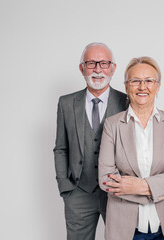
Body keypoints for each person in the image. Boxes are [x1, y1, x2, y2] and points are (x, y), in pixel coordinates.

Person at [98, 56, 164, 240]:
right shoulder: (112, 125)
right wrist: (159, 189)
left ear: (157, 86)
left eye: (149, 81)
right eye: (135, 81)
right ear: (126, 86)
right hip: (126, 227)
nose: (142, 87)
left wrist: (141, 185)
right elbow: (105, 178)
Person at [53, 42, 127, 240]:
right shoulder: (66, 103)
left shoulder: (126, 102)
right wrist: (65, 187)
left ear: (113, 68)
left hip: (117, 194)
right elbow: (61, 148)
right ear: (81, 68)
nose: (97, 69)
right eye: (91, 63)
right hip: (78, 193)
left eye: (103, 63)